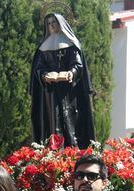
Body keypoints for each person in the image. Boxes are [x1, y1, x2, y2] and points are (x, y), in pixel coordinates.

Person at [29, 13, 95, 148]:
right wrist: (44, 75)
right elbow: (39, 67)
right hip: (51, 91)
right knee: (53, 120)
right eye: (49, 23)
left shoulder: (71, 44)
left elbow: (78, 64)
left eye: (54, 22)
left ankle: (72, 149)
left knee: (70, 119)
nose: (51, 25)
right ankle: (54, 150)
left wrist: (71, 73)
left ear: (60, 24)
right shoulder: (43, 47)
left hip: (69, 91)